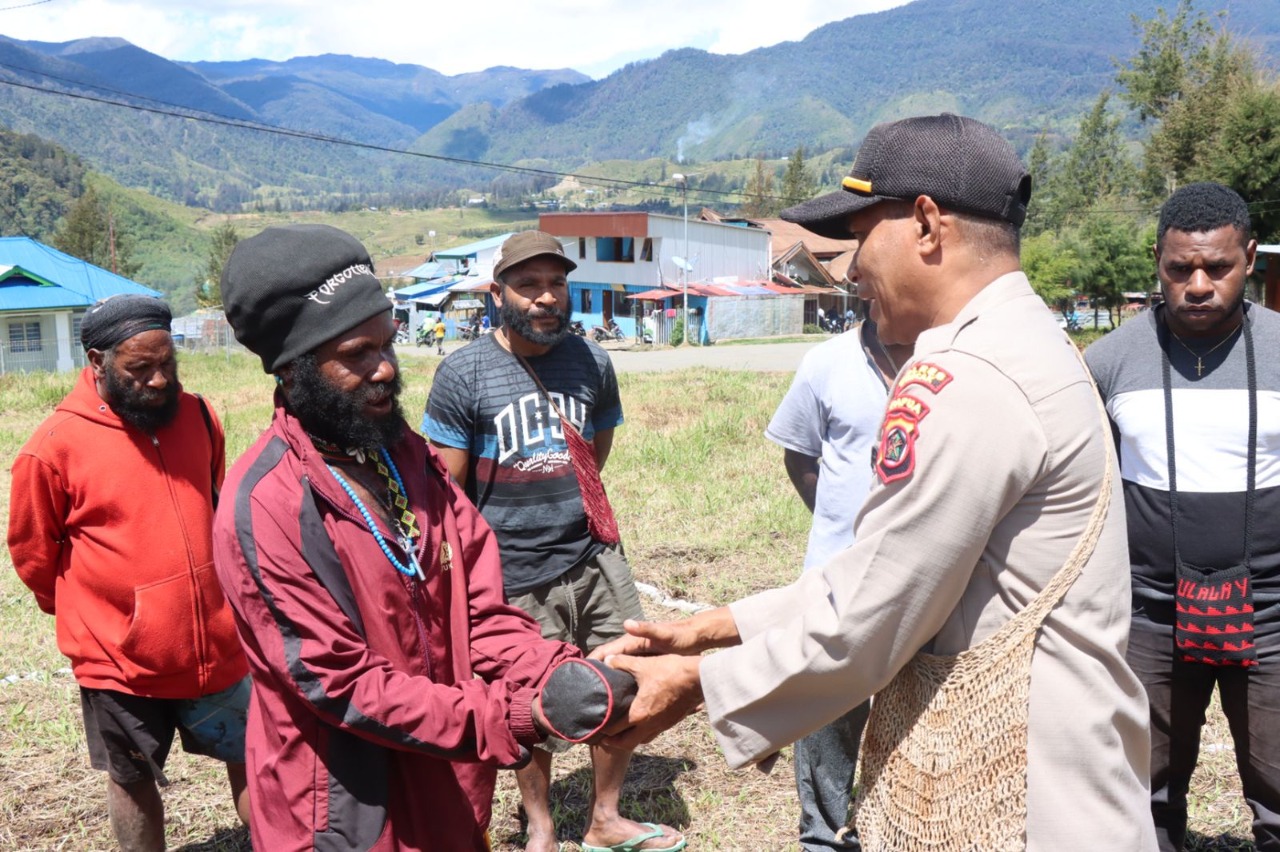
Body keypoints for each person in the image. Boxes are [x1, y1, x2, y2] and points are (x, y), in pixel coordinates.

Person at [593, 114, 1155, 850]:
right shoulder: (1034, 343)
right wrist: (718, 626)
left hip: (1017, 803)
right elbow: (885, 569)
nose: (852, 268)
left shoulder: (965, 373)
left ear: (926, 224)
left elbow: (876, 611)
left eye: (862, 237)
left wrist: (696, 679)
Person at [212, 224, 580, 852]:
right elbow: (340, 685)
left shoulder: (406, 454)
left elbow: (477, 610)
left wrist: (554, 673)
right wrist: (510, 715)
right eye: (358, 353)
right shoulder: (265, 505)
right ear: (295, 369)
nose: (386, 368)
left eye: (388, 343)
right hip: (343, 816)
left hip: (448, 784)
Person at [424, 230, 685, 852]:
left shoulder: (593, 361)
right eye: (529, 284)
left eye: (556, 283)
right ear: (498, 293)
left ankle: (605, 818)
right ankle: (539, 826)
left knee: (621, 682)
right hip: (511, 574)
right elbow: (447, 494)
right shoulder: (463, 374)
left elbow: (595, 454)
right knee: (526, 703)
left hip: (593, 557)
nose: (546, 297)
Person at [8, 294, 250, 851]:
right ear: (96, 361)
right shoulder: (52, 448)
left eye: (168, 363)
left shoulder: (200, 416)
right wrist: (105, 616)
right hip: (120, 661)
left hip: (217, 642)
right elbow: (33, 554)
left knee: (254, 755)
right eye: (139, 369)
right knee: (133, 777)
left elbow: (211, 504)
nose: (160, 380)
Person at [1085, 182, 1280, 851]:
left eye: (1217, 268)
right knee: (1141, 787)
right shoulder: (1110, 360)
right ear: (1158, 264)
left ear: (1249, 258)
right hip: (1150, 613)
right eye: (1179, 269)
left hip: (1272, 614)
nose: (1198, 284)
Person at [765, 314, 909, 851]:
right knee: (829, 711)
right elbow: (799, 453)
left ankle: (900, 826)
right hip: (837, 573)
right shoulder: (828, 362)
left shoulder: (950, 360)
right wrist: (846, 535)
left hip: (927, 577)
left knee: (915, 704)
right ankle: (823, 834)